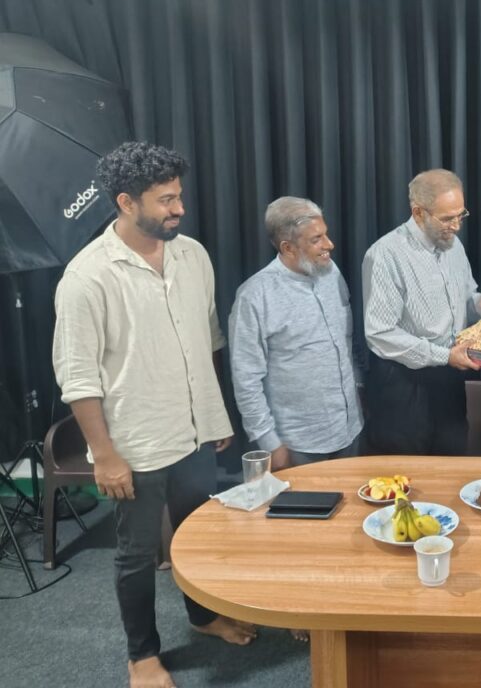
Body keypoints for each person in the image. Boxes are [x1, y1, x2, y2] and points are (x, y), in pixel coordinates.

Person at [52, 142, 255, 688]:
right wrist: (105, 456)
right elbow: (78, 378)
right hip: (134, 444)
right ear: (125, 201)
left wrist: (214, 415)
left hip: (194, 432)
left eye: (178, 196)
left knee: (195, 536)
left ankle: (203, 617)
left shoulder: (193, 256)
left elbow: (207, 340)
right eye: (165, 200)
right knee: (138, 554)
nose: (178, 208)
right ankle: (141, 655)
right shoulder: (86, 277)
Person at [362, 168, 481, 455]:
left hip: (450, 379)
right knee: (408, 473)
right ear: (418, 212)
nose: (457, 226)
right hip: (404, 385)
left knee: (453, 462)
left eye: (461, 215)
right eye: (447, 218)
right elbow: (380, 333)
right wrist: (444, 356)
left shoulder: (454, 246)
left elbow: (464, 299)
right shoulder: (384, 255)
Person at [229, 197, 363, 472]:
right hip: (297, 445)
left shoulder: (331, 273)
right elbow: (246, 378)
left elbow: (346, 340)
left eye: (326, 234)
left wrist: (358, 389)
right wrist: (270, 443)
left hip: (350, 430)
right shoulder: (255, 296)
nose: (329, 245)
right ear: (287, 247)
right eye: (316, 239)